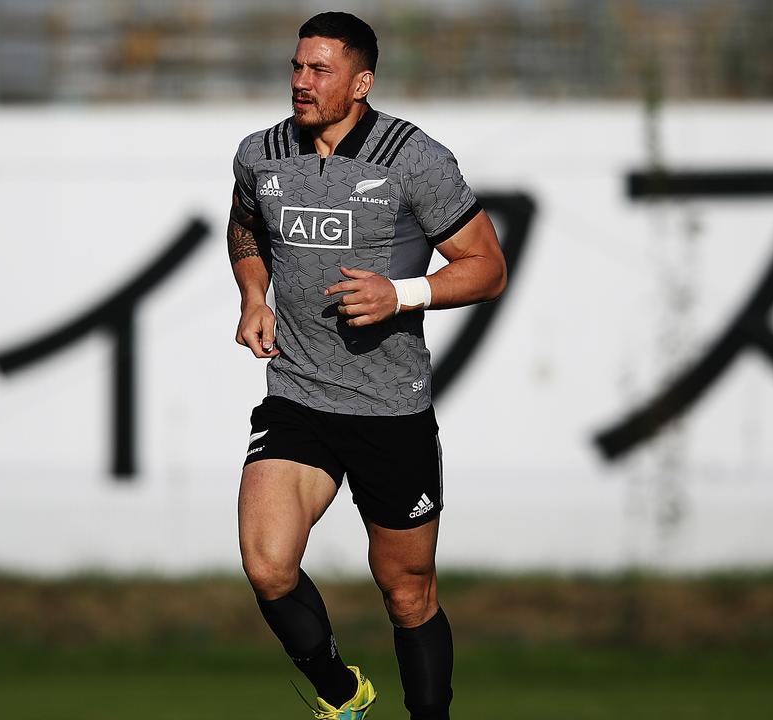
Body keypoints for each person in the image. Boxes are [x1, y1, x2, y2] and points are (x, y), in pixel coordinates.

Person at [227, 11, 506, 720]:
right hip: (298, 396)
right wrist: (254, 295)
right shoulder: (260, 155)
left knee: (407, 591)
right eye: (296, 66)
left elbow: (487, 268)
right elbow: (245, 227)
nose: (301, 81)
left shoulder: (414, 159)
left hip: (390, 410)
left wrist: (401, 294)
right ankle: (342, 695)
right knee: (266, 565)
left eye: (319, 70)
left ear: (361, 82)